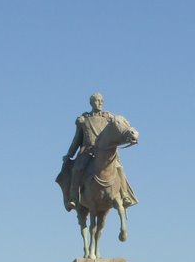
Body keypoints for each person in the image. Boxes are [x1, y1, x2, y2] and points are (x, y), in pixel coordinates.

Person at [57, 93, 138, 230]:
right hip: (87, 151)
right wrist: (70, 154)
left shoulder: (109, 118)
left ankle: (124, 195)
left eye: (102, 101)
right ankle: (73, 197)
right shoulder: (84, 119)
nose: (100, 103)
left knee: (119, 167)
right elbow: (77, 139)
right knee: (77, 169)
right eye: (97, 101)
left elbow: (118, 131)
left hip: (106, 152)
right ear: (91, 102)